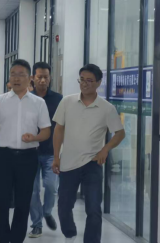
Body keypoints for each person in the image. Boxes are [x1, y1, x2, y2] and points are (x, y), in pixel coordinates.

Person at [52, 64, 126, 243]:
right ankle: (69, 232)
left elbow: (120, 133)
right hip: (68, 163)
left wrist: (105, 149)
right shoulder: (67, 102)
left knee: (93, 209)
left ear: (99, 83)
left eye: (89, 81)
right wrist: (56, 157)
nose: (84, 84)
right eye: (82, 80)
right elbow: (58, 130)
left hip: (92, 163)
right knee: (64, 206)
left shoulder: (106, 108)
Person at [0, 59, 52, 243]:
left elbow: (46, 131)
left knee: (23, 200)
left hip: (28, 157)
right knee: (1, 199)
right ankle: (2, 238)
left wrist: (34, 137)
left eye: (21, 75)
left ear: (30, 78)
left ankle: (16, 238)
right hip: (3, 156)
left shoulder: (38, 103)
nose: (16, 78)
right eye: (13, 74)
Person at [28, 62, 63, 238]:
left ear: (50, 79)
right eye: (39, 77)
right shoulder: (27, 99)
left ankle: (47, 211)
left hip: (51, 152)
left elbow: (62, 126)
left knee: (50, 186)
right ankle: (36, 224)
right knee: (32, 191)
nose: (42, 80)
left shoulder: (58, 99)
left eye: (45, 77)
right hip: (30, 152)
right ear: (33, 78)